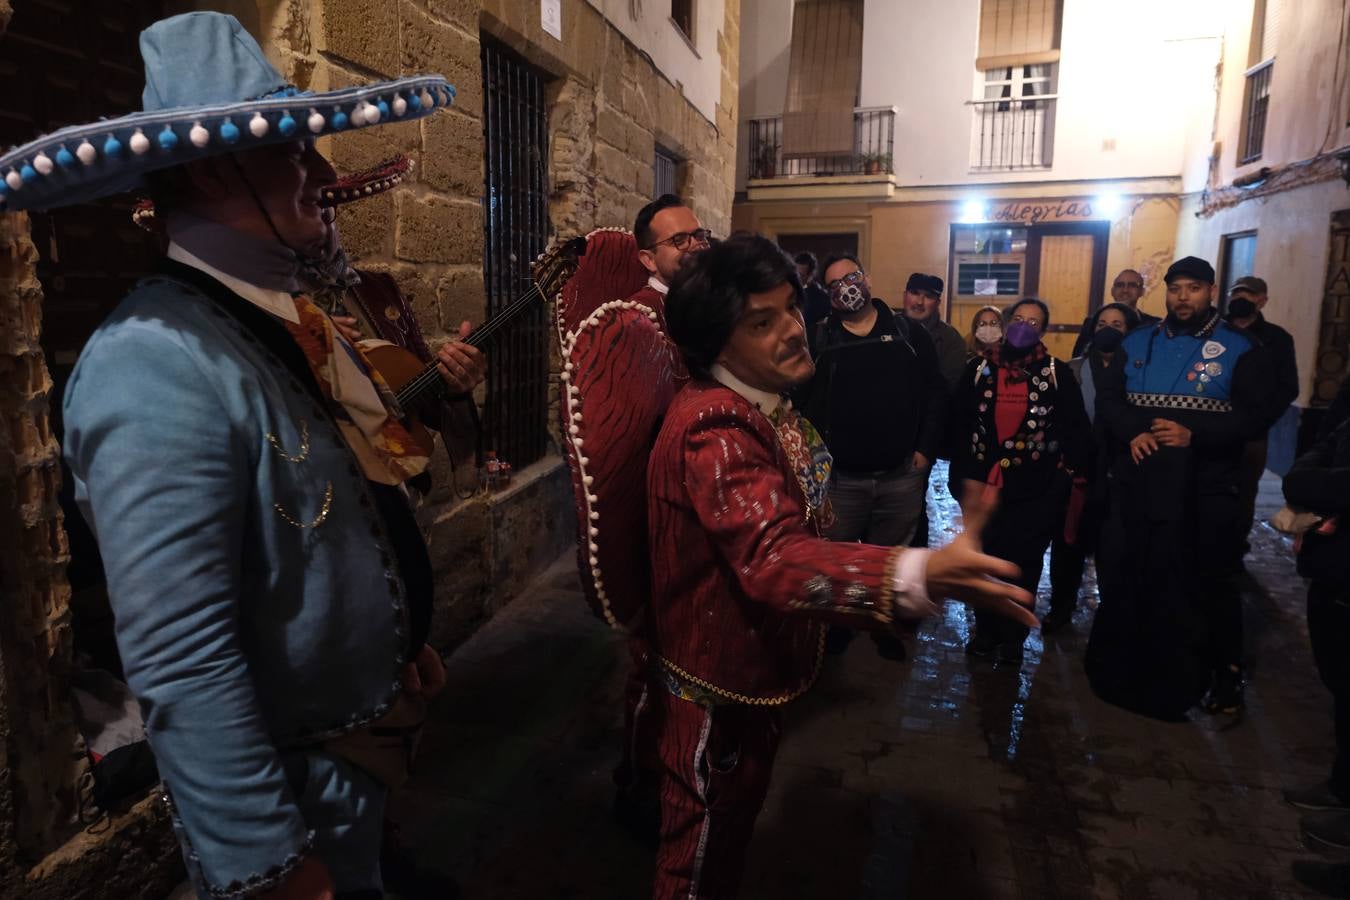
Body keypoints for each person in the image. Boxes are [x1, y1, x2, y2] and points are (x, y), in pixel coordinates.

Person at [2, 13, 479, 898]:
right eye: (293, 150)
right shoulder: (151, 362)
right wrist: (269, 866)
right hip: (295, 793)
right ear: (219, 165)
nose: (318, 173)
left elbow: (329, 514)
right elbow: (182, 659)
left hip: (353, 760)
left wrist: (392, 646)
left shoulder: (275, 317)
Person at [646, 233, 1037, 899]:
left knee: (731, 832)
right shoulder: (716, 428)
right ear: (716, 342)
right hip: (716, 689)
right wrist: (916, 573)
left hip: (756, 674)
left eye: (790, 311)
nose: (793, 332)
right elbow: (774, 557)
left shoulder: (769, 407)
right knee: (699, 852)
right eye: (761, 323)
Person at [1087, 256, 1279, 720]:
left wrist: (1199, 436)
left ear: (1211, 291)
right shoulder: (1138, 341)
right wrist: (1134, 430)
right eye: (1175, 289)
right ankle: (1129, 667)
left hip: (1204, 488)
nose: (1183, 297)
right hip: (1140, 485)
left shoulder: (1240, 347)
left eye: (1193, 288)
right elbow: (1110, 399)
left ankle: (1224, 675)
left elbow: (1257, 414)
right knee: (1130, 572)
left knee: (1209, 580)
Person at [798, 254, 948, 661]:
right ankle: (841, 628)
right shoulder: (819, 338)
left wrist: (924, 452)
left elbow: (935, 394)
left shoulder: (907, 333)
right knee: (841, 562)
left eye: (851, 277)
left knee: (890, 563)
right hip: (842, 480)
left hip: (899, 476)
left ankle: (885, 627)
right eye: (834, 284)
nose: (846, 287)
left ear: (866, 278)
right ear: (827, 296)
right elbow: (800, 403)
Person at [948, 298, 1093, 662]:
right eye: (1019, 318)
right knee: (983, 559)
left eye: (1034, 321)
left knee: (1023, 564)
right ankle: (987, 633)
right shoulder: (979, 368)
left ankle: (1013, 637)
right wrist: (963, 475)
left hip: (1034, 491)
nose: (1024, 326)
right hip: (983, 487)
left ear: (1042, 331)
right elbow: (959, 422)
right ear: (1007, 322)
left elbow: (1076, 429)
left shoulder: (1055, 373)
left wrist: (1064, 480)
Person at [1279, 376, 1350, 869]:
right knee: (1342, 685)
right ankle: (1343, 787)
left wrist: (1317, 479)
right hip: (1335, 571)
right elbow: (1314, 453)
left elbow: (1317, 477)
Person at [1043, 303, 1140, 633]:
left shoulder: (1140, 375)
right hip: (1078, 473)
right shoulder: (1074, 370)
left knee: (1114, 548)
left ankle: (1114, 616)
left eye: (1117, 324)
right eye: (1101, 324)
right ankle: (1061, 606)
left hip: (1121, 473)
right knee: (1068, 542)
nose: (1108, 330)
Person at [1226, 275, 1300, 553]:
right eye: (1236, 294)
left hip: (1251, 432)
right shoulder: (1214, 330)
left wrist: (1260, 419)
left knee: (1244, 491)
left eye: (1248, 295)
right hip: (1210, 424)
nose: (1240, 300)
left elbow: (1288, 387)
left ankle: (1234, 549)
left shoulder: (1277, 339)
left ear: (1262, 300)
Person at [632, 193, 712, 330]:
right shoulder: (635, 320)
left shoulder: (716, 303)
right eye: (679, 240)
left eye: (699, 236)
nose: (696, 245)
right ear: (649, 260)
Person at [1069, 268, 1160, 357]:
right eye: (1120, 285)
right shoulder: (1092, 322)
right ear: (1112, 291)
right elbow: (1078, 358)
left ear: (1142, 291)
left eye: (1132, 285)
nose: (1125, 290)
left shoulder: (1154, 325)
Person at [903, 272, 967, 391]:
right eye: (915, 293)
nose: (920, 302)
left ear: (938, 303)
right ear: (905, 295)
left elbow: (947, 388)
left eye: (928, 296)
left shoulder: (951, 339)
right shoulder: (888, 330)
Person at [794, 251, 830, 350]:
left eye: (801, 275)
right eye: (795, 273)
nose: (797, 278)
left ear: (811, 275)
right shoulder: (788, 291)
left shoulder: (822, 297)